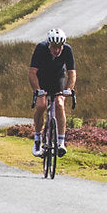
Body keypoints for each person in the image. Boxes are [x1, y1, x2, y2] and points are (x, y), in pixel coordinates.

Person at [29, 26, 76, 156]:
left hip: (57, 79)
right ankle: (37, 139)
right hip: (42, 79)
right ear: (49, 45)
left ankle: (61, 142)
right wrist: (37, 90)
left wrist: (69, 90)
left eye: (59, 46)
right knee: (41, 105)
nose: (56, 50)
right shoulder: (40, 48)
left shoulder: (67, 50)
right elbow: (32, 73)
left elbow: (71, 73)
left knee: (60, 104)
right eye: (54, 47)